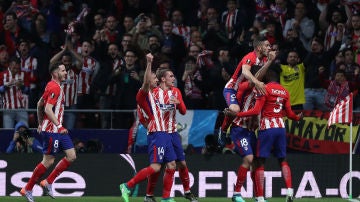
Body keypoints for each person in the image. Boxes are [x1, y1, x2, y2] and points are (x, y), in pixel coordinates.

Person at [226, 70, 302, 202]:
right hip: (272, 128)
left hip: (264, 129)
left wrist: (237, 115)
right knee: (275, 160)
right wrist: (297, 117)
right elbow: (289, 113)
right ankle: (288, 190)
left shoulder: (264, 89)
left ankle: (259, 196)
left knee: (258, 161)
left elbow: (256, 111)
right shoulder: (283, 91)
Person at [119, 54, 177, 202]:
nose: (156, 80)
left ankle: (164, 198)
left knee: (171, 164)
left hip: (165, 132)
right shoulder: (143, 95)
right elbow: (145, 83)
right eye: (154, 78)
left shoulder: (158, 94)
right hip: (157, 133)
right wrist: (149, 63)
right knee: (156, 167)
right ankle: (127, 185)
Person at [20, 62, 76, 202]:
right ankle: (27, 188)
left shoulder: (52, 86)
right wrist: (59, 125)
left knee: (71, 155)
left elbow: (39, 104)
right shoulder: (54, 87)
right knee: (48, 161)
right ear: (56, 73)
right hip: (53, 130)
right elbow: (47, 109)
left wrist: (40, 123)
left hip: (56, 129)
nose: (65, 73)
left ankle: (48, 181)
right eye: (63, 71)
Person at [220, 36, 275, 138]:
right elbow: (245, 71)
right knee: (235, 110)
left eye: (270, 46)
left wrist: (270, 61)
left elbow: (262, 76)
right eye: (267, 45)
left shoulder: (264, 59)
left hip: (247, 90)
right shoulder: (250, 57)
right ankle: (223, 130)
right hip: (232, 88)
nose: (270, 48)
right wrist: (257, 83)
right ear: (259, 47)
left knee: (253, 115)